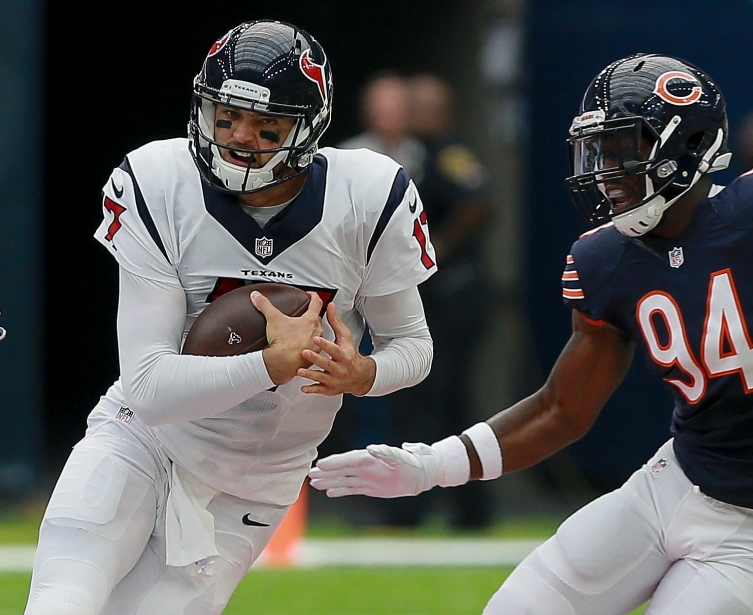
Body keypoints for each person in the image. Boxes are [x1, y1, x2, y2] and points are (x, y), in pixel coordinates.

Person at [309, 53, 753, 614]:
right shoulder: (605, 260)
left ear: (686, 146)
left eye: (622, 150)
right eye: (598, 152)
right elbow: (562, 409)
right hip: (674, 482)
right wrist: (431, 465)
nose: (605, 172)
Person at [24, 19, 436, 615]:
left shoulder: (370, 193)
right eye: (227, 117)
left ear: (309, 126)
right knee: (62, 602)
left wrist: (364, 374)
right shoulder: (157, 180)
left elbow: (414, 346)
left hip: (255, 478)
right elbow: (148, 387)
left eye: (267, 125)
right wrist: (272, 363)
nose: (241, 137)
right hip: (143, 438)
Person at [371, 72, 496, 529]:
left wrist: (435, 248)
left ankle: (417, 507)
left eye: (418, 104)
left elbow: (477, 200)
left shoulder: (449, 153)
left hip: (454, 296)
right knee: (438, 400)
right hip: (439, 298)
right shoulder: (416, 154)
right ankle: (457, 509)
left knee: (434, 398)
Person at [339, 72, 426, 183]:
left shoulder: (422, 154)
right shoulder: (346, 155)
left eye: (395, 106)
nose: (389, 113)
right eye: (382, 108)